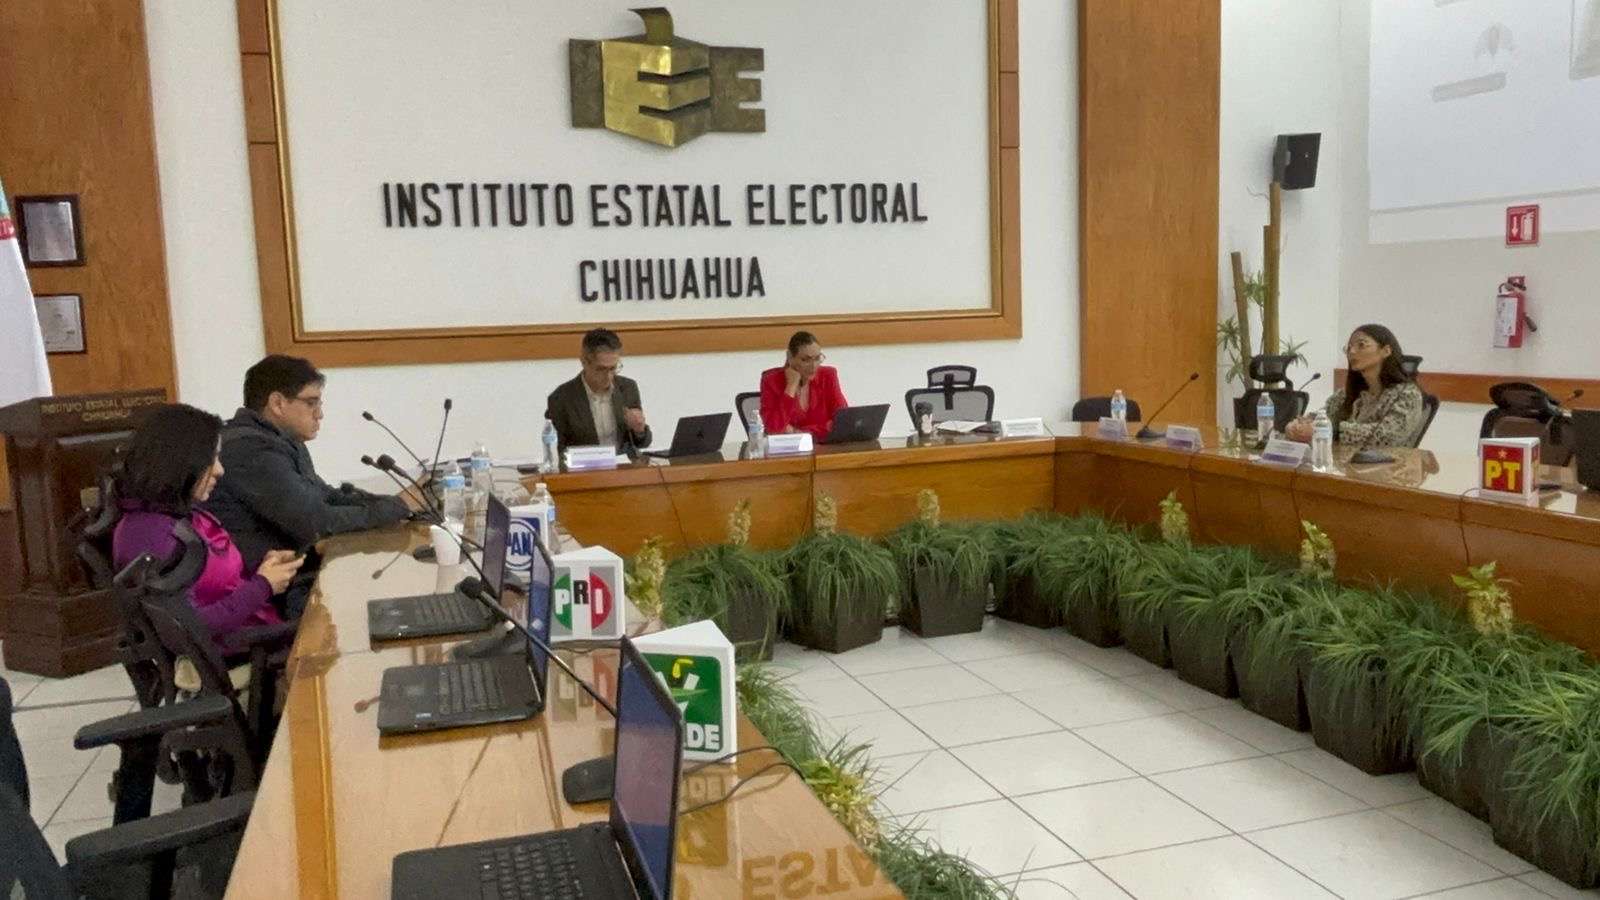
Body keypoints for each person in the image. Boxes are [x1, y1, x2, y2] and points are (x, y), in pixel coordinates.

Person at [206, 356, 427, 608]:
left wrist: (398, 503)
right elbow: (317, 522)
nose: (320, 414)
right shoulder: (251, 450)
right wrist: (399, 506)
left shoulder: (281, 440)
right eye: (311, 403)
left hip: (292, 577)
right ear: (277, 403)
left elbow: (326, 496)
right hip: (263, 596)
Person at [111, 403, 303, 651]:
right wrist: (262, 586)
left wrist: (264, 571)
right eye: (211, 459)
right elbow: (190, 625)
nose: (220, 470)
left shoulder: (175, 516)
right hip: (247, 649)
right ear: (181, 461)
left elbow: (216, 585)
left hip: (256, 631)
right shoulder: (150, 536)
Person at [1287, 324, 1425, 449]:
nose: (1352, 352)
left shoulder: (1407, 394)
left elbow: (1387, 436)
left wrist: (1328, 431)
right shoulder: (1345, 394)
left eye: (1361, 345)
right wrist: (1298, 426)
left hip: (1390, 467)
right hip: (1346, 464)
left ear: (1386, 351)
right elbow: (1321, 417)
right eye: (1348, 348)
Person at [545, 328, 652, 453]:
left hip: (622, 463)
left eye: (613, 368)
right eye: (601, 369)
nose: (608, 376)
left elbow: (642, 444)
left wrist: (639, 430)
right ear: (584, 362)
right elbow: (557, 452)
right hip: (584, 465)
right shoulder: (561, 398)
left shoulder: (627, 388)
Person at [760, 331, 848, 440]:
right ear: (790, 357)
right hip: (789, 449)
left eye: (817, 358)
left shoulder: (828, 376)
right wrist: (791, 387)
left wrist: (797, 432)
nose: (813, 366)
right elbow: (773, 429)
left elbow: (843, 421)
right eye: (805, 360)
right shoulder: (771, 381)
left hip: (824, 447)